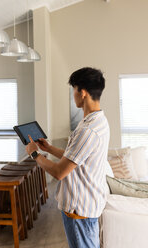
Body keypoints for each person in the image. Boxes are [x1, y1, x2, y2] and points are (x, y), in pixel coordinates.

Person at [26, 67, 110, 248]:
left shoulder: (87, 130)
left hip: (79, 210)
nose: (73, 95)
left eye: (74, 89)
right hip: (87, 206)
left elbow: (59, 172)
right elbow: (77, 158)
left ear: (83, 92)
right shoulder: (98, 121)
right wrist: (49, 148)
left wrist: (34, 154)